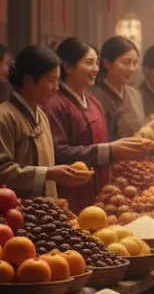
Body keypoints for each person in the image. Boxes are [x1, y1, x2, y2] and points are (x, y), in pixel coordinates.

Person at [46, 38, 150, 213]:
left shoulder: (93, 103)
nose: (95, 69)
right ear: (68, 67)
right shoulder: (55, 104)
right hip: (71, 195)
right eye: (89, 63)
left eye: (96, 63)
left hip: (100, 196)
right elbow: (57, 153)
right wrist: (109, 150)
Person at [0, 45, 92, 198]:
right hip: (16, 213)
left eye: (57, 81)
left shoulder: (41, 115)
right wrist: (48, 173)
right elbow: (3, 171)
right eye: (51, 80)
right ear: (29, 80)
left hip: (45, 213)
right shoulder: (4, 116)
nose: (56, 88)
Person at [89, 37, 149, 140]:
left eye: (135, 63)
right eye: (126, 62)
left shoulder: (134, 94)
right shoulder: (93, 96)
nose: (131, 69)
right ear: (107, 63)